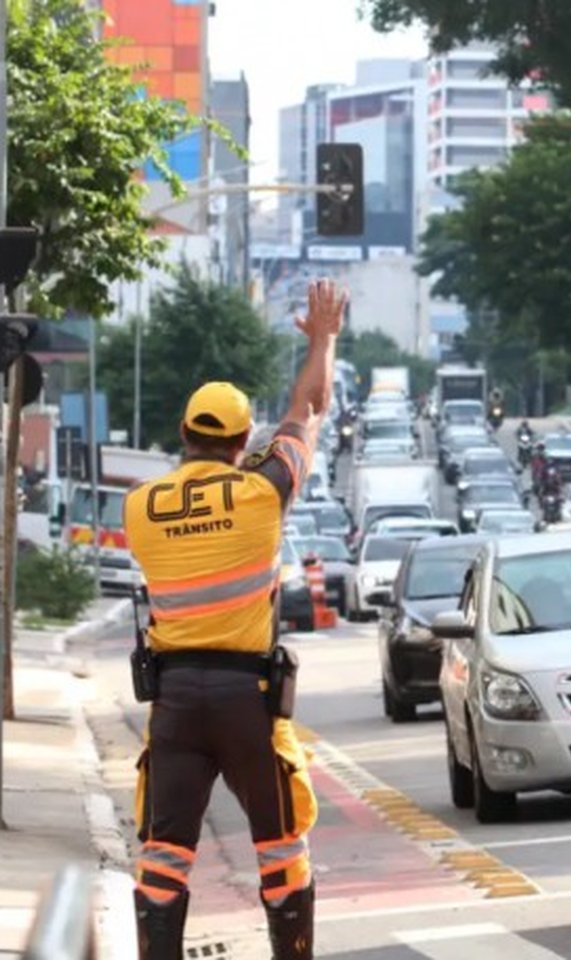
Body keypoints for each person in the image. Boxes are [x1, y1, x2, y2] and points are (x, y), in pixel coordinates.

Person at [123, 279, 347, 960]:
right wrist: (322, 340)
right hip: (247, 701)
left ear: (184, 434)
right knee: (281, 846)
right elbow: (309, 407)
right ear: (243, 438)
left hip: (175, 704)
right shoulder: (261, 492)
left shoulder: (140, 507)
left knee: (164, 853)